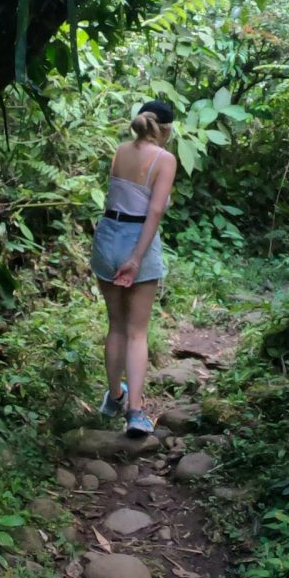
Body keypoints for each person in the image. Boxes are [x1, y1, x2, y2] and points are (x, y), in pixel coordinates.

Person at [89, 99, 177, 437]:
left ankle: (114, 398)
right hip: (137, 238)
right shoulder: (165, 159)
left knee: (116, 325)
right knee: (138, 331)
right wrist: (137, 257)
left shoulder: (120, 151)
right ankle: (136, 412)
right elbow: (153, 212)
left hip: (107, 236)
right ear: (166, 129)